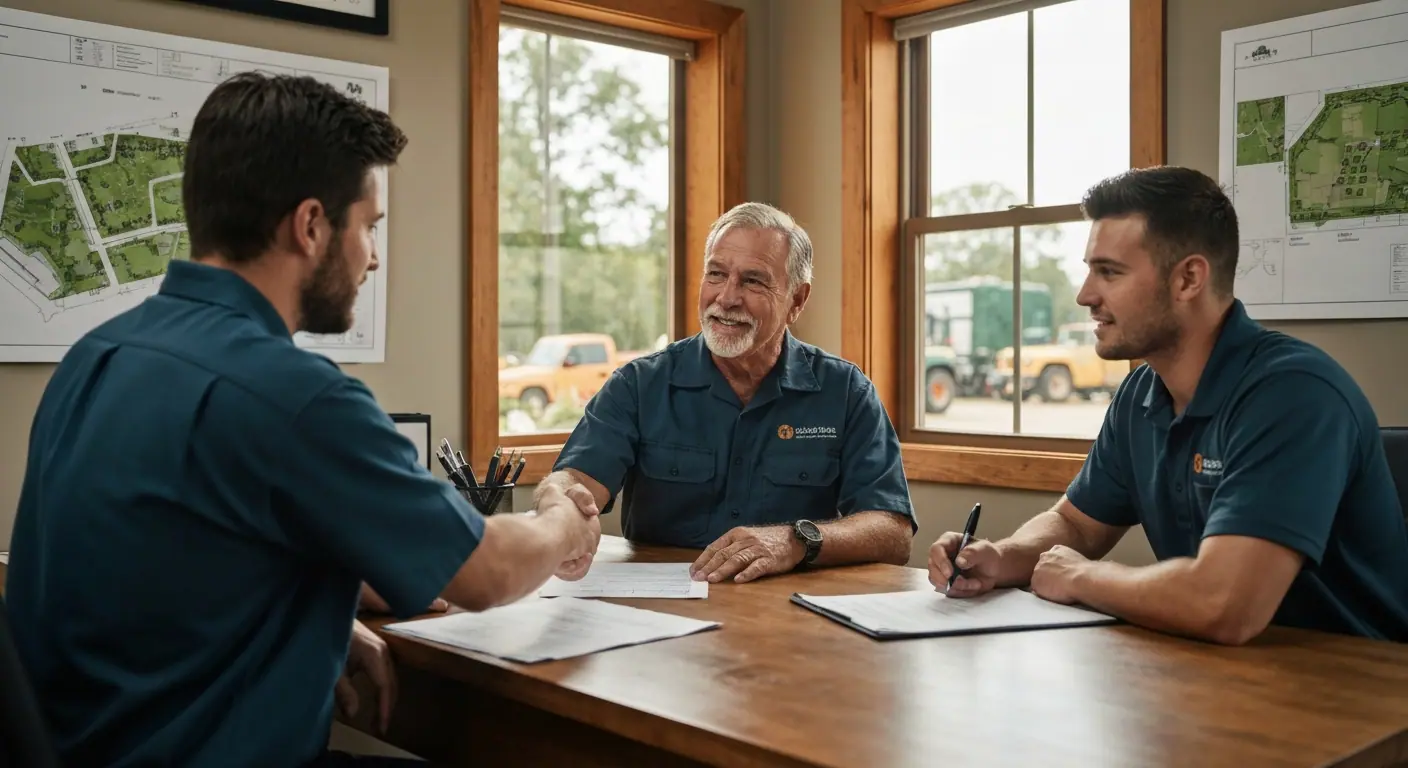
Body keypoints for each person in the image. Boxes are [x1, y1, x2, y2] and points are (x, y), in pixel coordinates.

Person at [4, 72, 600, 768]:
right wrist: (561, 518)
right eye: (369, 227)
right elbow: (486, 573)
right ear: (312, 225)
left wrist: (317, 616)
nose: (372, 256)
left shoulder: (95, 356)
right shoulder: (294, 398)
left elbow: (147, 562)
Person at [927, 166, 1408, 645]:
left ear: (1188, 279)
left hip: (1358, 689)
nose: (1085, 295)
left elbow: (1224, 605)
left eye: (1109, 272)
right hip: (1222, 680)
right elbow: (1076, 524)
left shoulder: (1295, 394)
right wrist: (1001, 557)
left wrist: (1080, 578)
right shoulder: (1140, 394)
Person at [535, 202, 916, 584]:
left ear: (797, 301)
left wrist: (795, 539)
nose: (727, 298)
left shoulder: (846, 392)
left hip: (789, 616)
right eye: (716, 275)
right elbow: (577, 483)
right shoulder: (638, 384)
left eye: (753, 281)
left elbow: (892, 531)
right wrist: (560, 507)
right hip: (661, 615)